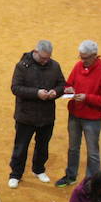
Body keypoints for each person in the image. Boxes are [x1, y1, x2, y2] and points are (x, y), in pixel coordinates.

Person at [56, 40, 101, 188]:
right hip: (75, 114)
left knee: (93, 153)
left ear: (95, 55)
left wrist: (87, 97)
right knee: (73, 148)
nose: (83, 60)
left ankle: (92, 183)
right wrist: (68, 89)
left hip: (92, 119)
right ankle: (70, 176)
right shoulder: (78, 66)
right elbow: (69, 84)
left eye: (86, 58)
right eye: (80, 57)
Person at [8, 39, 65, 188]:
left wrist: (56, 92)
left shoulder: (55, 66)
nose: (45, 61)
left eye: (48, 58)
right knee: (21, 147)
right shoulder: (22, 66)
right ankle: (15, 174)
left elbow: (61, 85)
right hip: (25, 116)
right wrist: (36, 93)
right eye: (43, 58)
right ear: (35, 52)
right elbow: (15, 88)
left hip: (46, 116)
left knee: (43, 146)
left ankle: (39, 169)